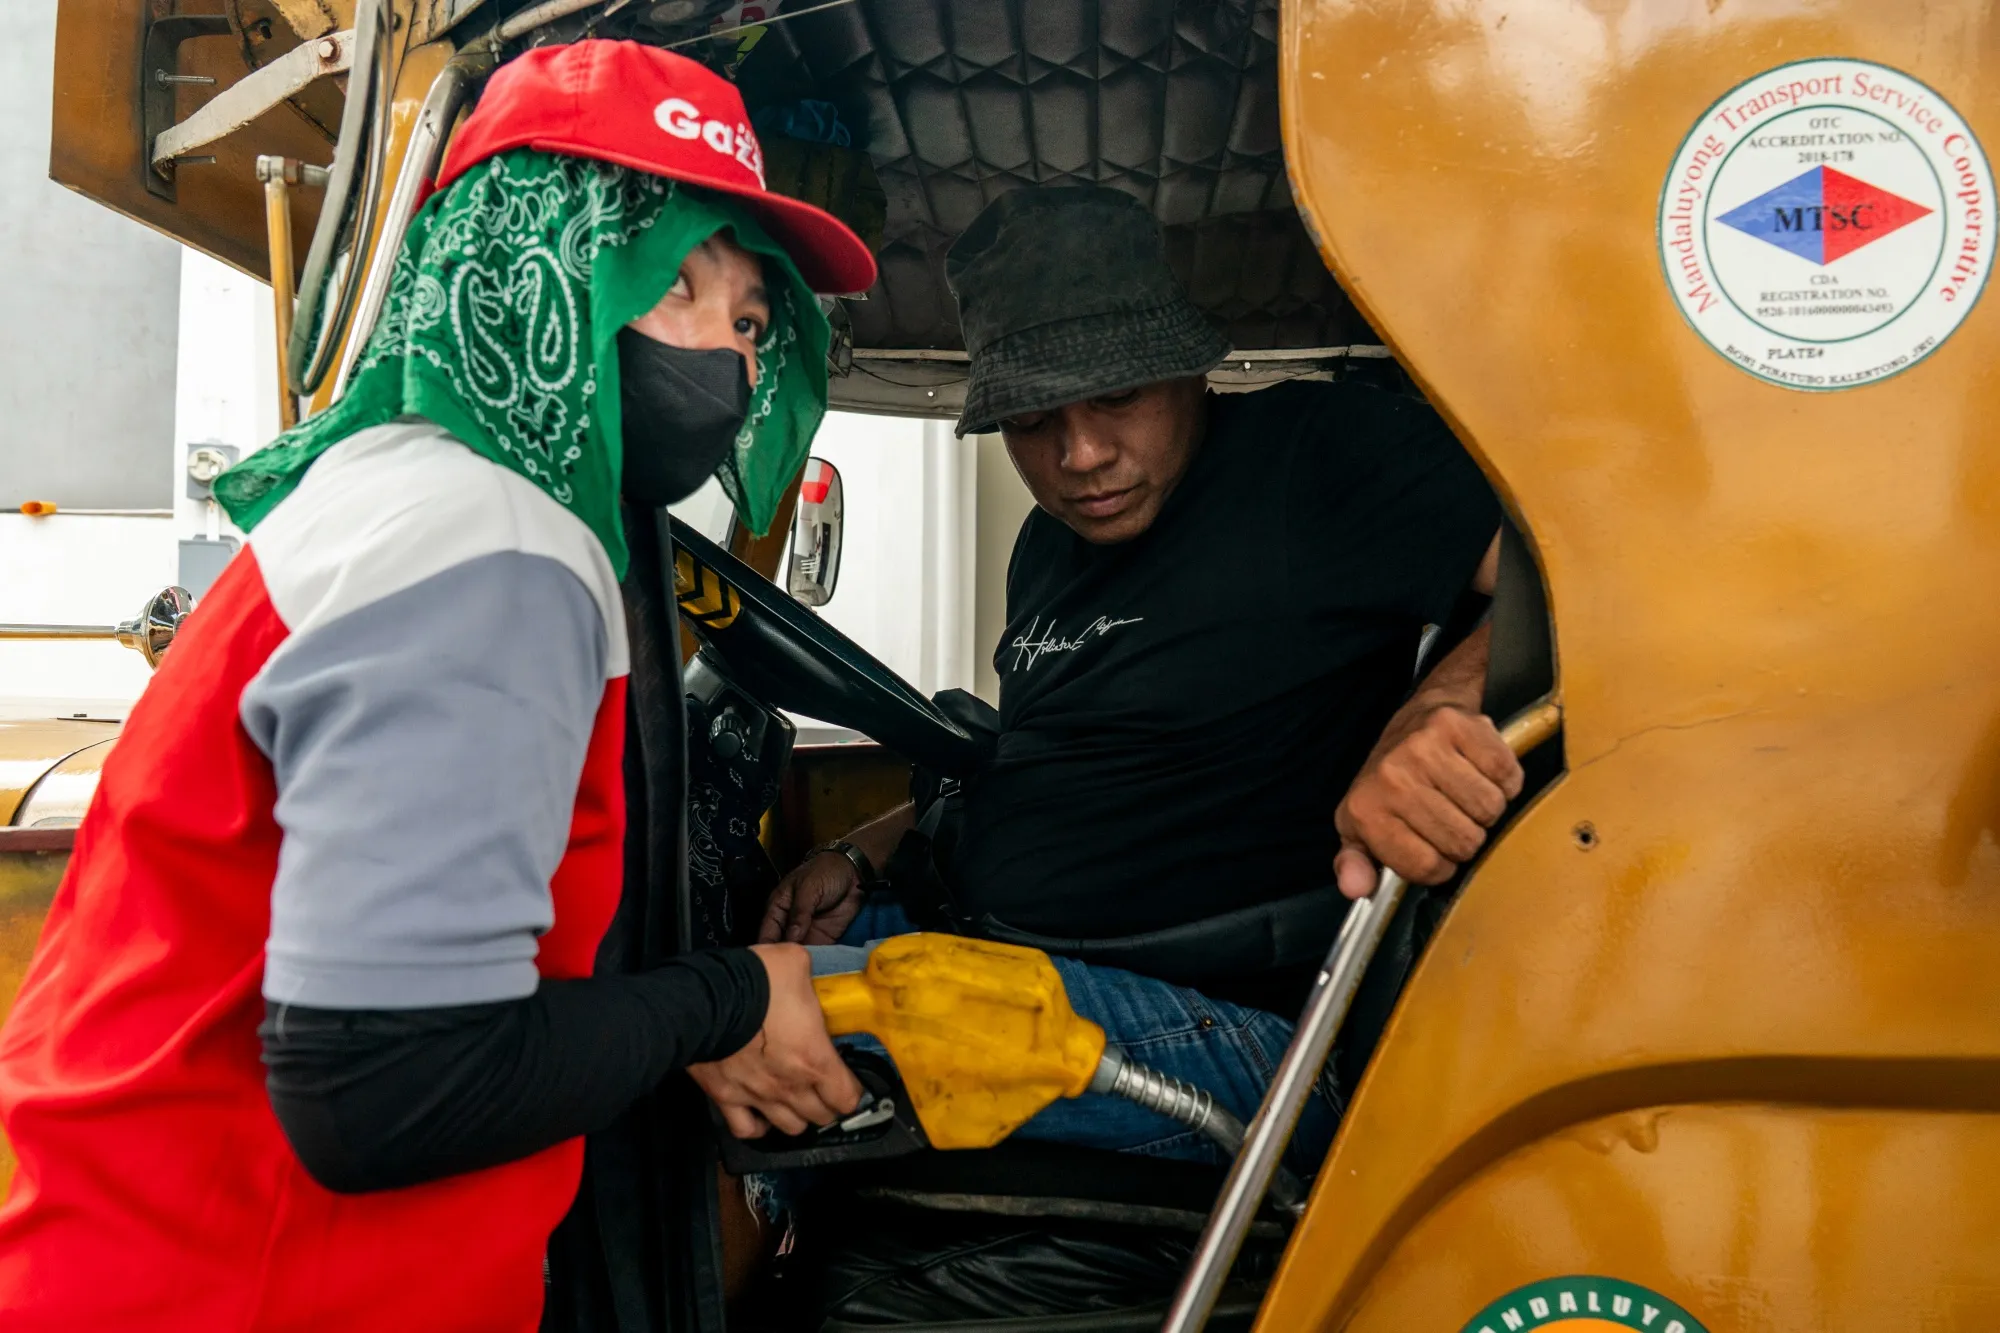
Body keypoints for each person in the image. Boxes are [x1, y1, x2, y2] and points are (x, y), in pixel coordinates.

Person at [0, 42, 875, 1331]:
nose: (726, 360)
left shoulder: (427, 499)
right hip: (248, 1287)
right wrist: (732, 997)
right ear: (532, 265)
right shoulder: (483, 542)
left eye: (749, 323)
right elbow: (386, 1089)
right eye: (668, 286)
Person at [759, 185, 1517, 1174]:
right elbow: (1043, 758)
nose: (1080, 456)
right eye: (1031, 421)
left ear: (1187, 370)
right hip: (1002, 950)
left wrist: (1435, 705)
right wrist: (865, 852)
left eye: (1116, 395)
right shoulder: (1046, 544)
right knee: (708, 969)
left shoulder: (1315, 457)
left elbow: (1589, 569)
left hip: (1218, 1017)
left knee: (729, 1030)